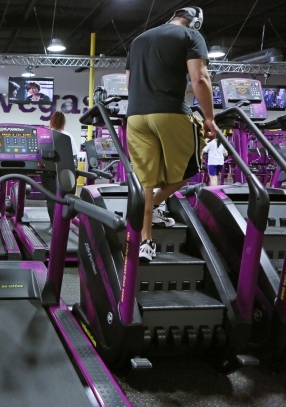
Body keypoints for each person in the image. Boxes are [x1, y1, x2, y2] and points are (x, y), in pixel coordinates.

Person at [125, 6, 216, 262]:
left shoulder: (138, 40)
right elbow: (200, 79)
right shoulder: (191, 36)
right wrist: (209, 118)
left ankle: (146, 242)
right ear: (195, 22)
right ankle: (155, 203)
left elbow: (129, 83)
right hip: (170, 112)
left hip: (136, 116)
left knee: (146, 181)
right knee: (190, 170)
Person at [42, 111, 80, 234]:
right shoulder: (67, 136)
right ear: (64, 122)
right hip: (64, 172)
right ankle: (63, 225)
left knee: (51, 198)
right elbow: (75, 156)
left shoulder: (45, 135)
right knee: (64, 199)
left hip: (47, 171)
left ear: (51, 121)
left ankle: (53, 225)